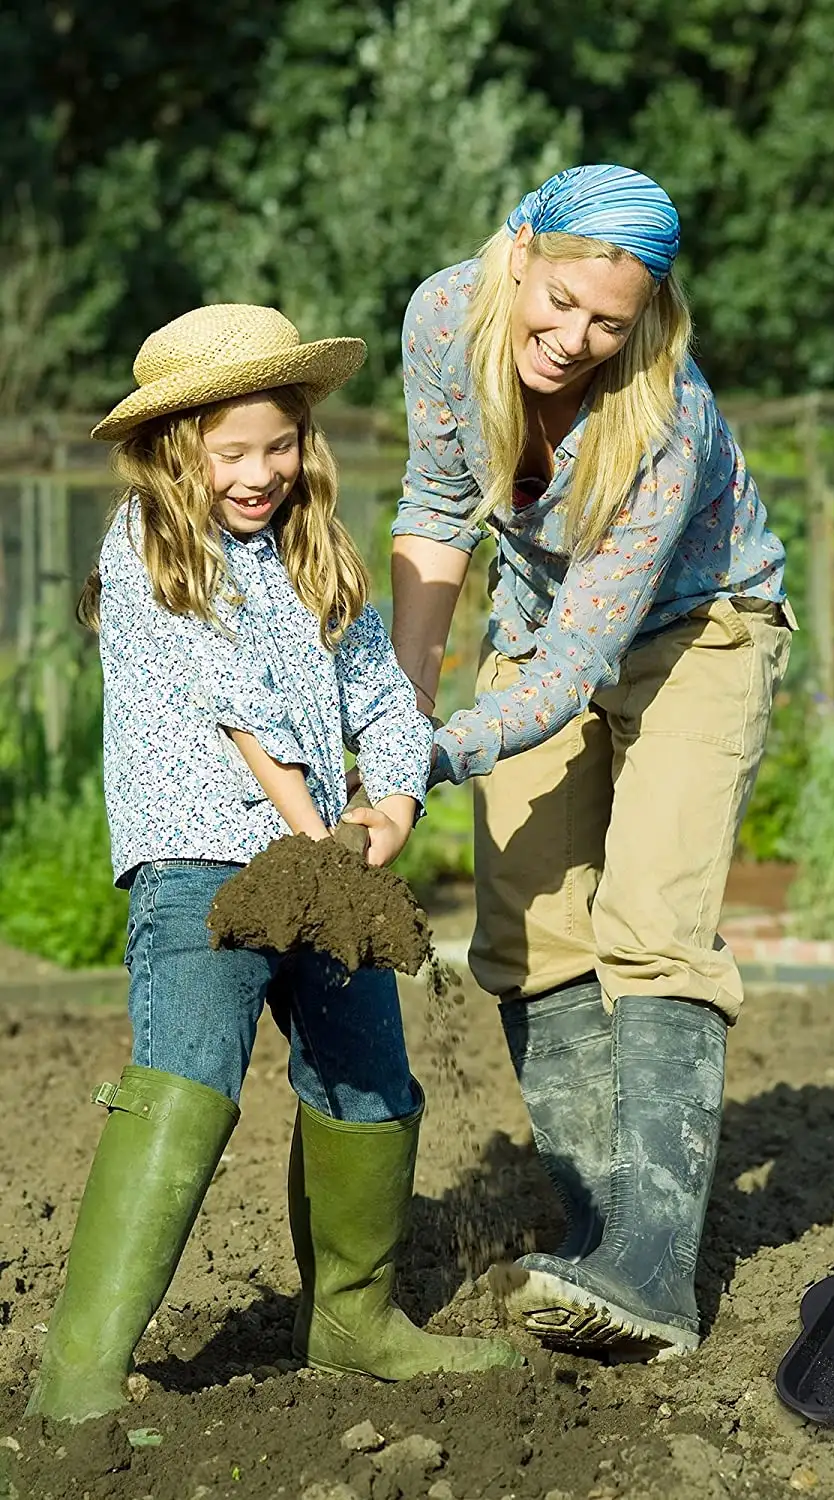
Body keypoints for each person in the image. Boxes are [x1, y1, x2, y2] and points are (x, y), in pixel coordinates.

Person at [27, 305, 522, 1424]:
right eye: (233, 452)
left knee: (369, 1078)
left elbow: (380, 689)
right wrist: (312, 821)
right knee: (190, 1082)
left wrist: (391, 798)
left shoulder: (314, 555)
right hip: (203, 858)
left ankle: (354, 1323)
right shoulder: (146, 543)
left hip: (318, 858)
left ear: (307, 438)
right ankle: (81, 1386)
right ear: (175, 451)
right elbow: (231, 703)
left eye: (280, 445)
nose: (261, 474)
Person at [390, 164, 793, 1359]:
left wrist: (432, 755)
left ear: (647, 317)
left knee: (650, 923)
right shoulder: (439, 321)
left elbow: (581, 663)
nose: (572, 340)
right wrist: (399, 711)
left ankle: (655, 1276)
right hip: (536, 621)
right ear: (519, 250)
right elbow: (434, 506)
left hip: (695, 630)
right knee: (525, 938)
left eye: (607, 322)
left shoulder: (667, 417)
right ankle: (600, 1236)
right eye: (558, 301)